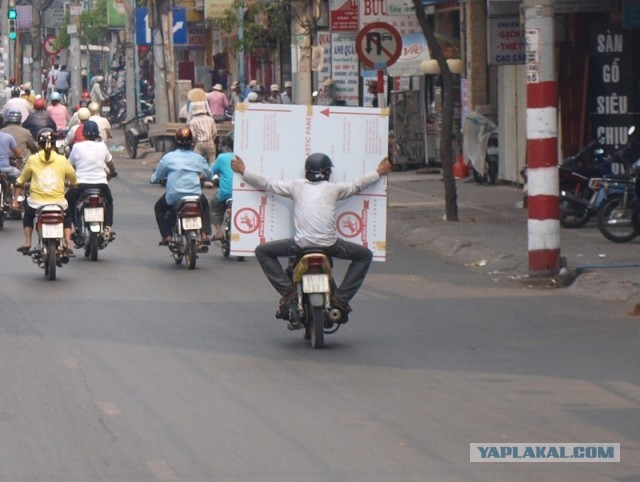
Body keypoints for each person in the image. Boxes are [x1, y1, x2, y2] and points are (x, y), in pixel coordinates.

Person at [231, 153, 392, 321]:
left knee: (262, 251)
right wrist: (379, 172)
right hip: (330, 245)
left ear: (307, 171)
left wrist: (244, 170)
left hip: (301, 245)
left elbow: (268, 183)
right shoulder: (335, 189)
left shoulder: (296, 186)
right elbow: (357, 185)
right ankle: (341, 300)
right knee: (365, 256)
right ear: (327, 173)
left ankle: (289, 294)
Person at [13, 129, 77, 256]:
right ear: (54, 144)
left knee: (28, 216)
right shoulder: (62, 159)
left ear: (38, 144)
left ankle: (27, 241)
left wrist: (15, 200)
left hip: (36, 203)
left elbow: (21, 180)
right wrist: (71, 184)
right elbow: (73, 178)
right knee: (67, 216)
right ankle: (68, 241)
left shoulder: (32, 159)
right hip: (59, 202)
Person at [150, 127, 213, 245]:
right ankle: (204, 233)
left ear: (175, 141)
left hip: (174, 196)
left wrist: (154, 179)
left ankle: (167, 236)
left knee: (159, 208)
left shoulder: (168, 158)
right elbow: (209, 174)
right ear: (192, 143)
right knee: (205, 206)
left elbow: (157, 175)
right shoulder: (198, 158)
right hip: (195, 196)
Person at [66, 120, 117, 242]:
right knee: (109, 202)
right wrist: (113, 172)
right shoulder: (102, 146)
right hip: (101, 185)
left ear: (83, 133)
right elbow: (110, 164)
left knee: (68, 201)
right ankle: (108, 227)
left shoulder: (77, 147)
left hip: (81, 185)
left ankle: (73, 226)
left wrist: (67, 178)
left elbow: (69, 166)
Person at [209, 132, 235, 241]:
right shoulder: (249, 158)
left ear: (228, 145)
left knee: (214, 207)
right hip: (244, 194)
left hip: (225, 194)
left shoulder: (222, 157)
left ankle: (219, 232)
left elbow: (210, 172)